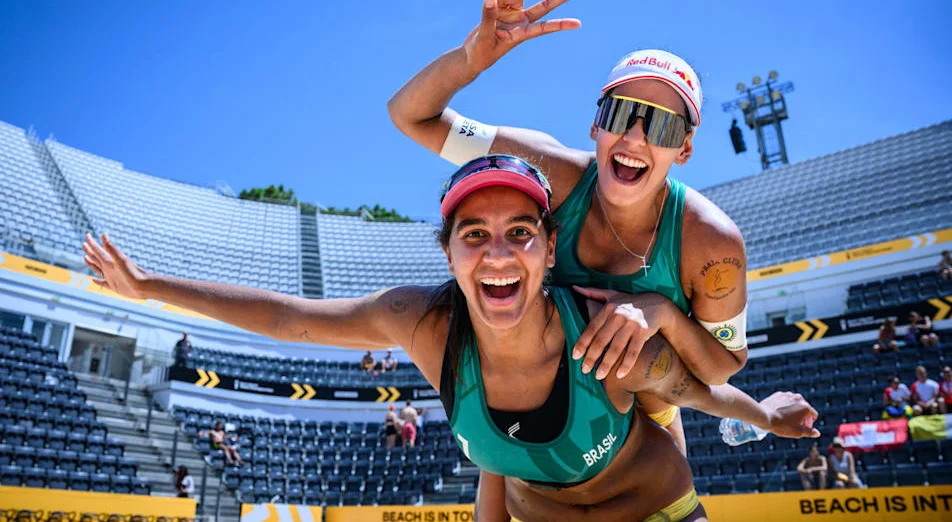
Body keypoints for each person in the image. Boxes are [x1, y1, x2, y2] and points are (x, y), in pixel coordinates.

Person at [82, 155, 819, 522]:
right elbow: (289, 317)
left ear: (547, 250)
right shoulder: (424, 323)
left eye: (520, 234)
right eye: (475, 235)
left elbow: (697, 390)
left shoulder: (600, 332)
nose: (498, 254)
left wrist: (767, 415)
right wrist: (150, 288)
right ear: (448, 254)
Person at [388, 0, 751, 456]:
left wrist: (662, 313)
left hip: (646, 421)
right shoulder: (552, 173)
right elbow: (410, 115)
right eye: (621, 115)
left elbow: (722, 367)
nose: (635, 138)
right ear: (596, 125)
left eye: (660, 126)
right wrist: (469, 61)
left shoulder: (709, 241)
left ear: (685, 149)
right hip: (538, 403)